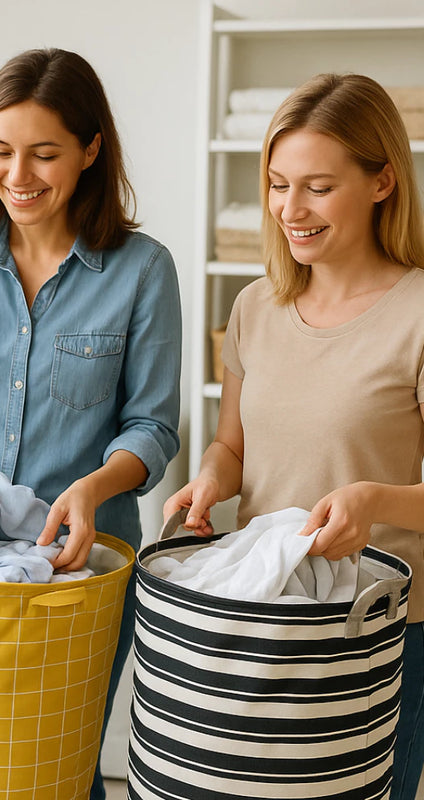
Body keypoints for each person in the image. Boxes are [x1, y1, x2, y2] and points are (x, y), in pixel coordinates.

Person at [0, 48, 181, 798]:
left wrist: (93, 486)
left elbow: (151, 425)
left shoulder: (142, 270)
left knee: (57, 770)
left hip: (77, 573)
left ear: (90, 149)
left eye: (44, 154)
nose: (18, 175)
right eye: (0, 151)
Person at [164, 73, 424, 800]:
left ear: (382, 183)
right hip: (262, 620)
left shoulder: (417, 314)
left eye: (317, 186)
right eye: (278, 185)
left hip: (375, 631)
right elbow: (233, 448)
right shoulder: (254, 308)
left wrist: (371, 501)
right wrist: (212, 478)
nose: (290, 210)